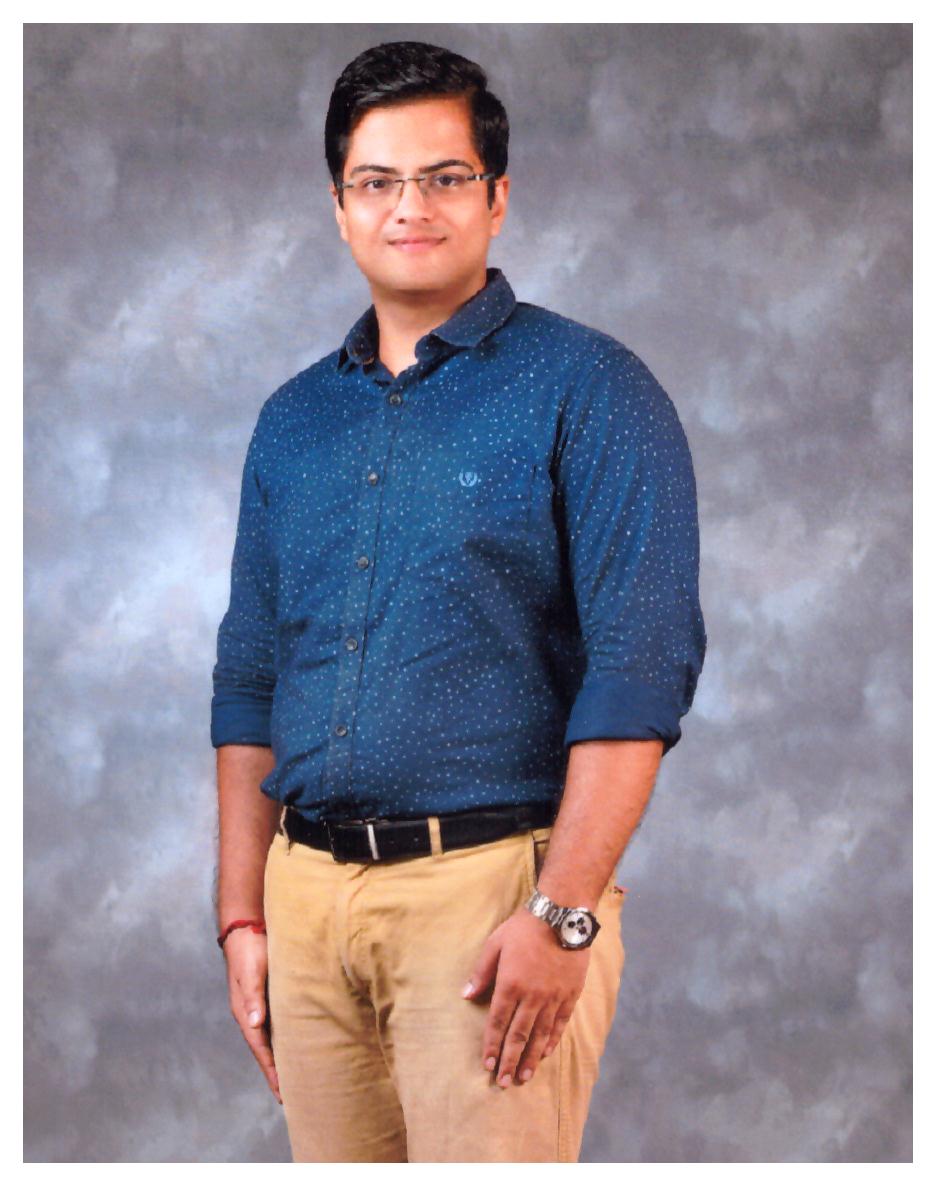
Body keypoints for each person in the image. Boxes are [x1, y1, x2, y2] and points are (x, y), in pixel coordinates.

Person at [210, 40, 706, 1163]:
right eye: (377, 181)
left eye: (444, 177)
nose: (410, 207)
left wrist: (562, 914)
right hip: (304, 903)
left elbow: (641, 665)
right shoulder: (292, 420)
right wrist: (243, 914)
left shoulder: (593, 388)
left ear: (498, 197)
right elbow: (249, 675)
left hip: (491, 904)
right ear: (340, 207)